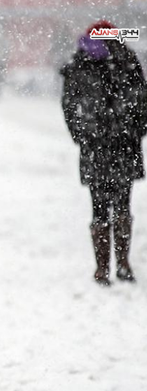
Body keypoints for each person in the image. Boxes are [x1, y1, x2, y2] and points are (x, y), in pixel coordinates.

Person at [61, 20, 147, 285]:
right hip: (116, 147)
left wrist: (84, 135)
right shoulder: (124, 62)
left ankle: (108, 267)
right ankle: (116, 264)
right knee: (118, 206)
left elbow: (70, 105)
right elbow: (141, 101)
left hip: (106, 147)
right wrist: (133, 131)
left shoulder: (90, 64)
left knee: (106, 208)